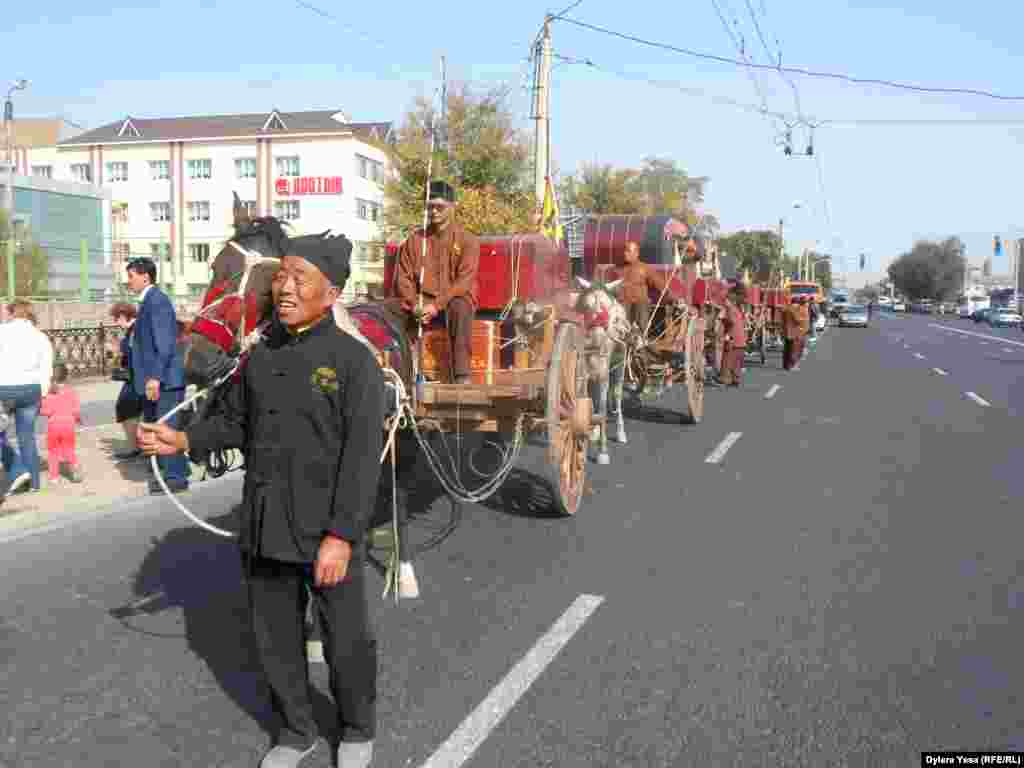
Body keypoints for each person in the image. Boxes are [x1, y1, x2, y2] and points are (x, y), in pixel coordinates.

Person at [139, 232, 385, 768]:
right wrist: (183, 440)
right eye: (282, 276)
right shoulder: (261, 353)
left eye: (301, 279)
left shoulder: (353, 362)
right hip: (265, 522)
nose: (286, 289)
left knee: (345, 642)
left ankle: (357, 727)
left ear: (333, 293)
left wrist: (343, 536)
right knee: (274, 641)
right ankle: (297, 731)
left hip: (325, 530)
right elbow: (234, 421)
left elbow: (363, 458)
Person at [395, 180, 479, 384]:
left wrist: (436, 306)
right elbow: (403, 278)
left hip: (453, 300)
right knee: (388, 310)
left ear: (452, 207)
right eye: (430, 207)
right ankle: (397, 372)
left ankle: (461, 376)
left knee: (460, 307)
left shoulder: (467, 240)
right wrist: (415, 304)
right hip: (419, 303)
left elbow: (464, 282)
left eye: (439, 207)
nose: (434, 212)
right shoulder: (414, 240)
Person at [125, 257, 190, 494]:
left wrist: (155, 377)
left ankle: (176, 477)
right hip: (157, 379)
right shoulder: (148, 301)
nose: (128, 281)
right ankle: (172, 471)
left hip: (164, 381)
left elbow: (165, 344)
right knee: (156, 427)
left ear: (146, 277)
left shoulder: (158, 301)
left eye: (131, 276)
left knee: (166, 427)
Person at [0, 300, 53, 494]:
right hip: (31, 390)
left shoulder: (3, 332)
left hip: (4, 389)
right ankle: (34, 483)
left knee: (1, 434)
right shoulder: (40, 337)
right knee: (27, 437)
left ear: (12, 313)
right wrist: (43, 392)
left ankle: (17, 470)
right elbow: (46, 368)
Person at [110, 302, 146, 460]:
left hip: (138, 378)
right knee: (132, 411)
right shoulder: (133, 330)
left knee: (125, 408)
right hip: (136, 377)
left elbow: (133, 352)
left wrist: (117, 350)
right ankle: (137, 446)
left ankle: (136, 447)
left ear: (124, 316)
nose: (115, 322)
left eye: (116, 318)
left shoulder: (135, 330)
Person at [40, 363, 82, 484]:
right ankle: (74, 465)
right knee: (68, 449)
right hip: (69, 425)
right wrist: (78, 420)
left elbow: (45, 411)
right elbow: (76, 411)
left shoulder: (49, 393)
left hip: (53, 426)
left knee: (53, 452)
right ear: (66, 376)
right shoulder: (72, 392)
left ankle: (54, 477)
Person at [617, 240, 667, 333]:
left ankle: (641, 343)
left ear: (636, 253)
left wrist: (676, 298)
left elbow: (661, 284)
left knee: (640, 333)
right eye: (624, 250)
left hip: (640, 306)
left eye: (628, 251)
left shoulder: (645, 268)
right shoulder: (618, 269)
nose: (625, 253)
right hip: (624, 307)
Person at [720, 286, 747, 387]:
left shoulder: (731, 308)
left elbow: (731, 322)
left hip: (733, 338)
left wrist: (723, 321)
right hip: (740, 339)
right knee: (737, 361)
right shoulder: (738, 309)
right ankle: (736, 379)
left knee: (728, 359)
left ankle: (725, 379)